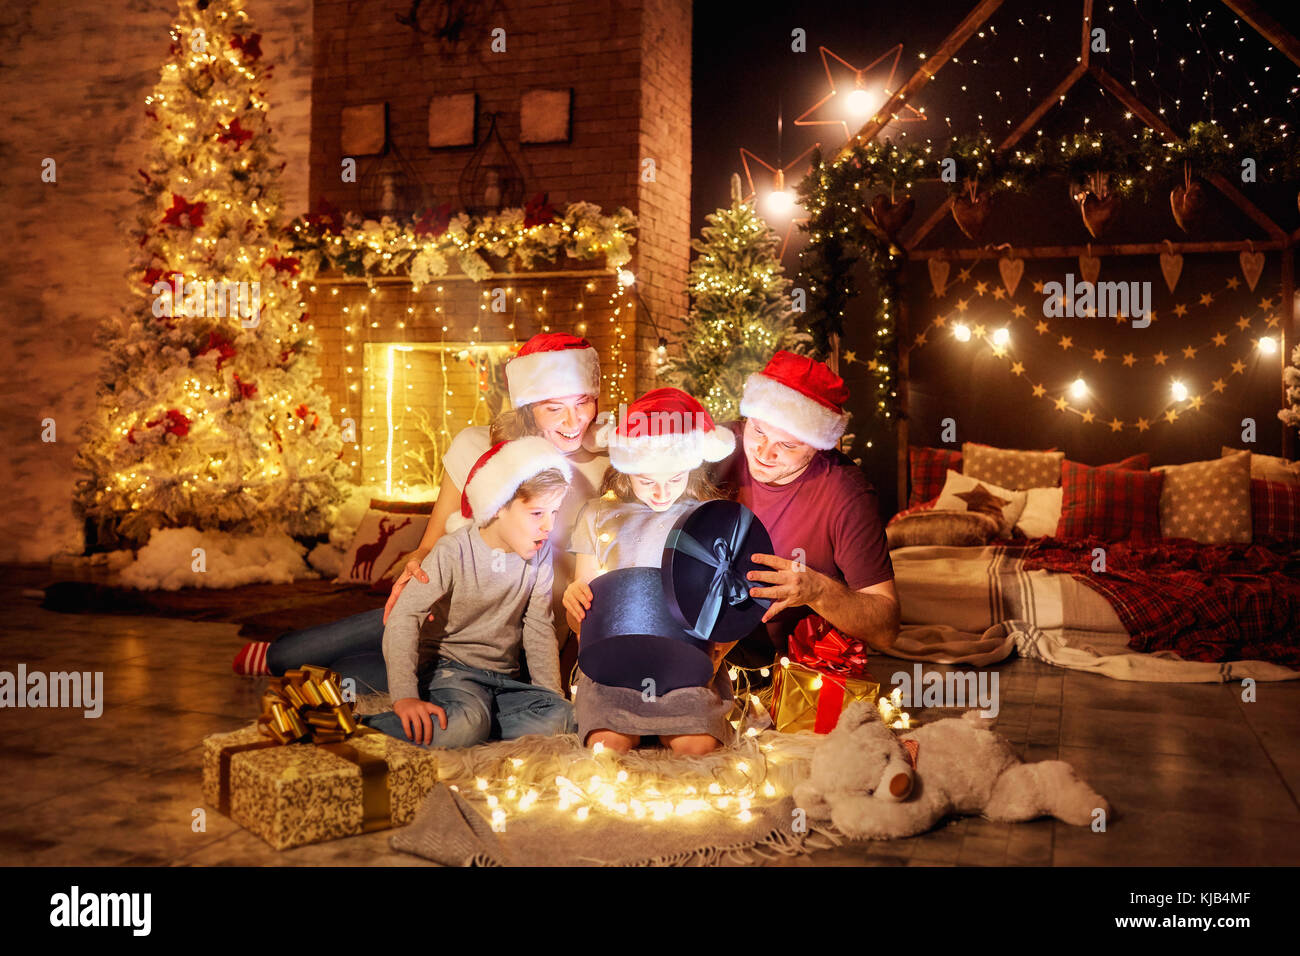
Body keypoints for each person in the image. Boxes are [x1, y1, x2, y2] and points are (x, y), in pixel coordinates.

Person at [231, 333, 610, 691]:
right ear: (528, 407)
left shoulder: (608, 467)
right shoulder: (476, 446)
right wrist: (416, 566)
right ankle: (283, 655)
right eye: (553, 408)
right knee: (288, 655)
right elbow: (431, 543)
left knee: (352, 676)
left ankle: (325, 671)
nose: (573, 421)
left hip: (514, 639)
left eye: (582, 402)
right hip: (446, 609)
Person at [363, 437, 576, 748]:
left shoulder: (541, 554)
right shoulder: (454, 550)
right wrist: (405, 697)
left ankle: (475, 723)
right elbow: (405, 616)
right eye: (536, 514)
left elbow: (538, 627)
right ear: (501, 505)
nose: (548, 526)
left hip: (504, 681)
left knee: (564, 718)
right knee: (465, 723)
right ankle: (358, 727)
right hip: (452, 673)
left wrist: (548, 696)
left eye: (554, 513)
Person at [562, 388, 737, 755]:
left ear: (693, 469)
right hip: (614, 669)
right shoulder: (598, 514)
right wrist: (574, 601)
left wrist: (716, 652)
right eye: (646, 480)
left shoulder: (711, 517)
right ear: (625, 470)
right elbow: (582, 606)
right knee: (607, 746)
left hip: (687, 666)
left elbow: (734, 604)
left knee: (698, 747)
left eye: (674, 479)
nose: (660, 493)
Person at [708, 350, 900, 669]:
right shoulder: (719, 446)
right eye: (758, 431)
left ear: (819, 445)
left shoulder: (846, 494)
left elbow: (887, 628)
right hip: (705, 648)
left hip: (790, 671)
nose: (764, 453)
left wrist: (817, 590)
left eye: (788, 444)